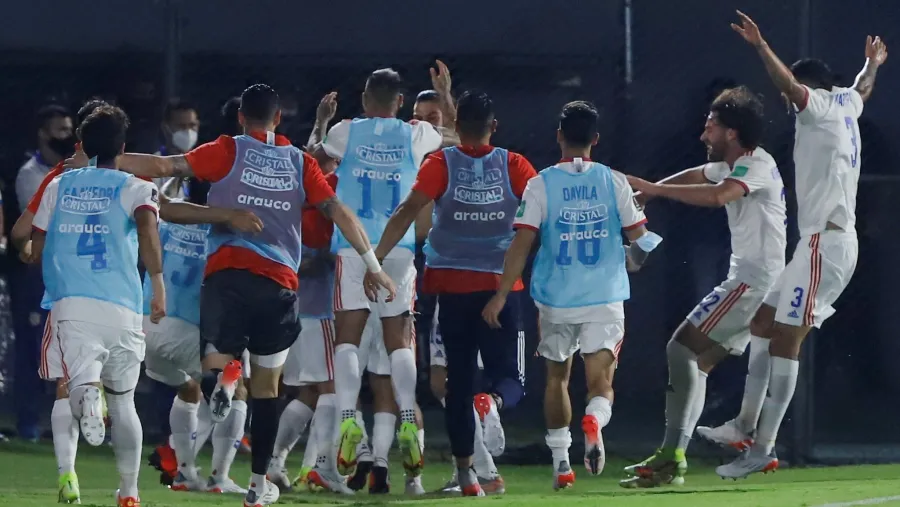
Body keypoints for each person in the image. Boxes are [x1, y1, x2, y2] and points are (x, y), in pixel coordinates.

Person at [103, 83, 395, 507]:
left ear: (241, 118)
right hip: (278, 284)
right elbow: (339, 212)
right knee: (267, 390)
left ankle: (220, 377)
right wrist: (374, 266)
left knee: (215, 365)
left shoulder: (227, 150)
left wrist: (102, 159)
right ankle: (258, 486)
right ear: (278, 119)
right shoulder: (299, 162)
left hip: (226, 278)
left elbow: (165, 166)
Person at [713, 12, 887, 479]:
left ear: (809, 91)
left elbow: (790, 85)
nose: (789, 103)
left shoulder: (818, 107)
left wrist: (759, 44)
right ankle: (744, 427)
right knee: (764, 321)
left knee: (787, 336)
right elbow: (863, 88)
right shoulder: (847, 104)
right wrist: (872, 65)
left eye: (795, 97)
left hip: (824, 243)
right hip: (821, 243)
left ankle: (763, 448)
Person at [482, 101, 660, 490]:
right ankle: (594, 419)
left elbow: (522, 243)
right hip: (604, 296)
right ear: (595, 140)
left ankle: (562, 463)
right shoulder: (614, 181)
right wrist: (633, 259)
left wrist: (500, 294)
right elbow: (641, 243)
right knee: (601, 383)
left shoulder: (541, 183)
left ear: (559, 136)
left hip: (556, 299)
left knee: (556, 379)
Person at [622, 85, 786, 487]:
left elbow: (718, 196)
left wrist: (653, 188)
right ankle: (672, 457)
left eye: (710, 127)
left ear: (731, 132)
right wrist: (651, 193)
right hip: (755, 281)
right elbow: (702, 174)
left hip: (751, 282)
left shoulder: (755, 164)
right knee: (697, 362)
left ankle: (676, 454)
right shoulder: (737, 162)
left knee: (680, 348)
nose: (703, 136)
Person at [375, 90, 535, 495]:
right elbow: (538, 220)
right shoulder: (515, 165)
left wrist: (374, 258)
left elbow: (406, 211)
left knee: (457, 382)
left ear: (455, 127)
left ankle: (466, 476)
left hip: (450, 287)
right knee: (508, 377)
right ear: (494, 127)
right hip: (501, 288)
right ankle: (494, 404)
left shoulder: (440, 162)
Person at [313, 68, 447, 479]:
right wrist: (445, 94)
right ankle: (409, 416)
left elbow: (318, 155)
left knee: (348, 338)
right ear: (400, 102)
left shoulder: (346, 131)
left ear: (365, 97)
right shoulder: (417, 135)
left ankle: (350, 418)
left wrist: (321, 120)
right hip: (400, 249)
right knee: (398, 338)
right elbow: (456, 137)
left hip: (356, 248)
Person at [31, 105, 165, 507]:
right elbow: (147, 230)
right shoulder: (136, 187)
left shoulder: (58, 186)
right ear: (122, 148)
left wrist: (44, 257)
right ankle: (129, 492)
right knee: (126, 403)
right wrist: (157, 284)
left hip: (73, 304)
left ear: (83, 146)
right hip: (123, 306)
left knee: (69, 387)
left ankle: (86, 401)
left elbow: (37, 243)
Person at [143, 176, 262, 495]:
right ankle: (219, 477)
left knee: (188, 389)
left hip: (147, 326)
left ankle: (184, 474)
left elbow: (161, 203)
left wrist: (173, 179)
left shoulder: (165, 221)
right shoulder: (221, 232)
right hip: (187, 329)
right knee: (238, 391)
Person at [12, 104, 75, 442]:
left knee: (71, 349)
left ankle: (67, 423)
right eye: (59, 130)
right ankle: (28, 422)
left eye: (69, 129)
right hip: (39, 272)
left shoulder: (77, 171)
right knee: (33, 350)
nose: (66, 136)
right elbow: (42, 224)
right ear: (43, 133)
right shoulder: (30, 173)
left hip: (73, 274)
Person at [155, 98, 201, 197]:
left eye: (192, 125)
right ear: (165, 128)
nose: (188, 131)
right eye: (181, 126)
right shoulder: (152, 166)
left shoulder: (205, 164)